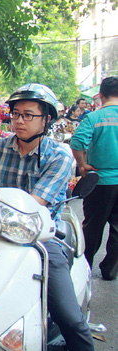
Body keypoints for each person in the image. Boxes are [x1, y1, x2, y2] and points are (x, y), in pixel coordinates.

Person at [0, 83, 96, 351]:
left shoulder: (59, 155)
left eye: (28, 115)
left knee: (69, 317)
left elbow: (35, 203)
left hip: (42, 241)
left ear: (46, 120)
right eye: (16, 114)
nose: (20, 120)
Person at [71, 76, 118, 281]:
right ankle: (110, 269)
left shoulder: (94, 118)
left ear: (101, 95)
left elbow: (77, 141)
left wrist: (82, 165)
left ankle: (85, 268)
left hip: (100, 181)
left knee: (92, 226)